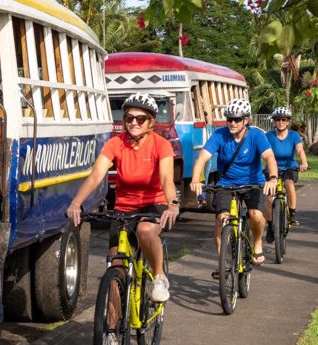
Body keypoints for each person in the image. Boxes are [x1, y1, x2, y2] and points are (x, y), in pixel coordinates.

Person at [67, 92, 179, 302]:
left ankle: (159, 277)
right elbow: (96, 175)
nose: (134, 123)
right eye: (129, 118)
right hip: (124, 208)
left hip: (154, 204)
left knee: (145, 231)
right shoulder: (115, 143)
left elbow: (166, 178)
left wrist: (172, 204)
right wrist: (76, 202)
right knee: (115, 268)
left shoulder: (161, 144)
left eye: (140, 119)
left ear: (151, 122)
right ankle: (111, 322)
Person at [190, 99, 278, 273]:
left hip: (253, 183)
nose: (232, 123)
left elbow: (269, 157)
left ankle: (257, 242)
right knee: (221, 219)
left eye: (237, 119)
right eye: (229, 119)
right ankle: (221, 263)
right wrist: (195, 180)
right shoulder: (220, 135)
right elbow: (202, 158)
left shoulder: (256, 135)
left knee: (256, 215)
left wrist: (273, 179)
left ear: (246, 120)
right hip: (226, 184)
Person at [264, 107, 308, 241]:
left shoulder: (294, 135)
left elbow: (300, 150)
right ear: (274, 121)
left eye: (284, 120)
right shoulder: (268, 136)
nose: (281, 122)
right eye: (278, 120)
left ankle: (292, 213)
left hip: (290, 167)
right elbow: (263, 152)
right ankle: (270, 226)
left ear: (288, 122)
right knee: (269, 197)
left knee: (289, 184)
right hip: (272, 169)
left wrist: (304, 162)